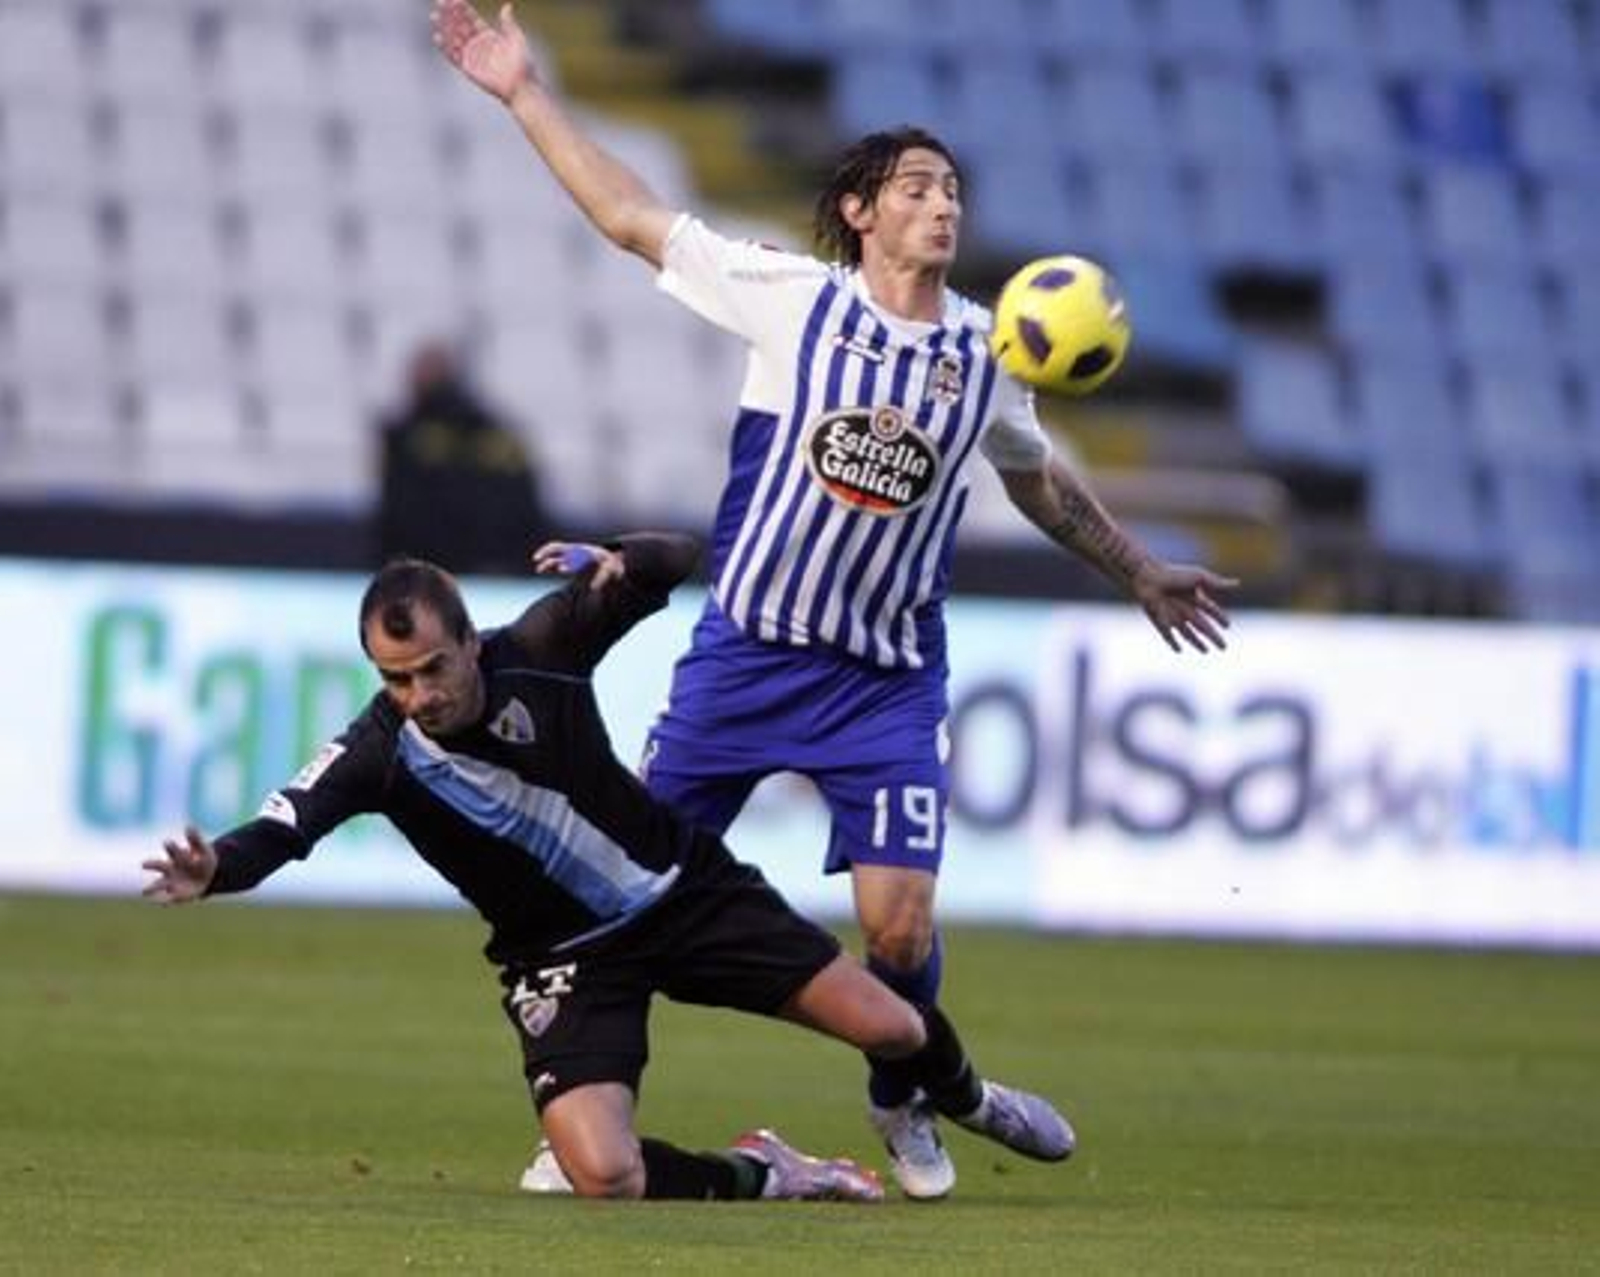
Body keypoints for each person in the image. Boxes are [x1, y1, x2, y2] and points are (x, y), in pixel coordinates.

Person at [432, 0, 1237, 1200]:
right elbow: (625, 216)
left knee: (900, 929)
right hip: (743, 661)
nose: (941, 203)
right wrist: (522, 91)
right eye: (915, 186)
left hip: (884, 680)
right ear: (860, 211)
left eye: (952, 188)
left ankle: (900, 1092)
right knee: (623, 893)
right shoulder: (791, 300)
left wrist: (1140, 571)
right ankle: (582, 1123)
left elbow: (1040, 484)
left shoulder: (986, 353)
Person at [140, 533, 1074, 1202]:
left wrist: (620, 561)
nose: (418, 695)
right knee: (603, 1173)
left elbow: (683, 559)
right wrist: (214, 866)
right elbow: (285, 825)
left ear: (471, 640)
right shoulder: (378, 752)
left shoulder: (546, 646)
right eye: (395, 678)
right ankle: (771, 1171)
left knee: (895, 1024)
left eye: (431, 668)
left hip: (686, 893)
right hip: (563, 958)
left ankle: (974, 1099)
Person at [375, 339, 550, 574]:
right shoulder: (498, 432)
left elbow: (399, 514)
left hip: (432, 571)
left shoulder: (404, 437)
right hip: (496, 568)